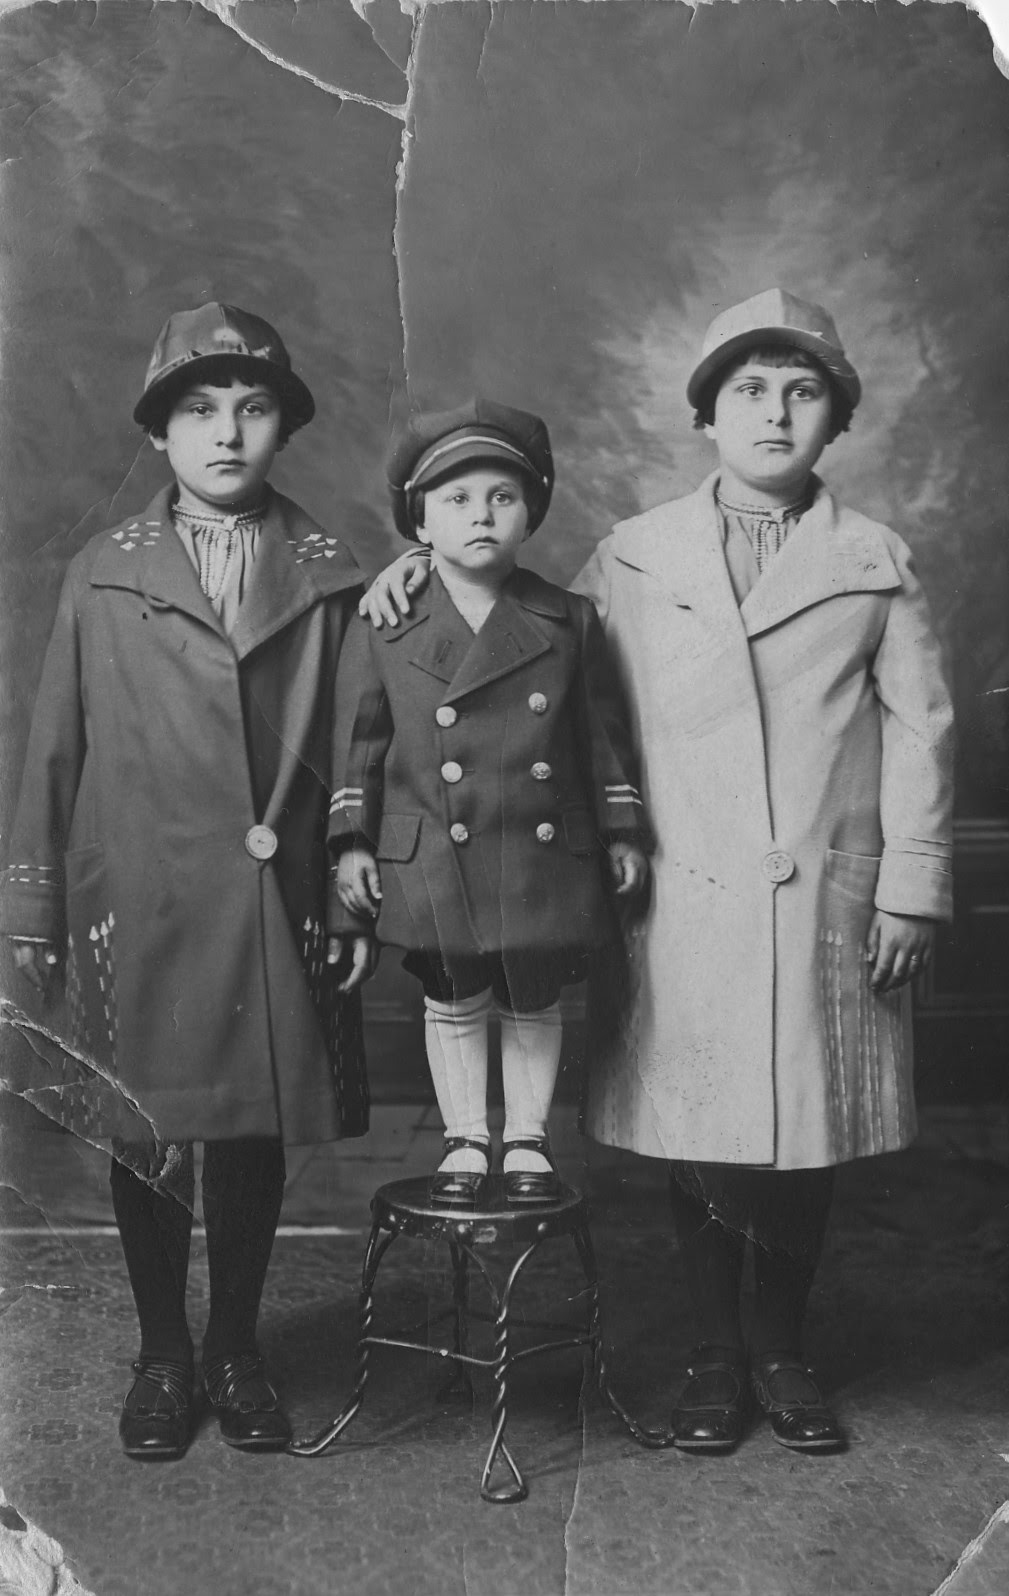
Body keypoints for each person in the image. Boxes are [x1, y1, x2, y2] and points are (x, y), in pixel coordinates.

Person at [355, 292, 955, 1450]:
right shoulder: (633, 554)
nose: (773, 413)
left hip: (821, 898)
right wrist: (406, 575)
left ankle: (782, 1348)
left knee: (804, 1130)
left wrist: (913, 882)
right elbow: (517, 622)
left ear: (836, 419)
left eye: (800, 392)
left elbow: (925, 726)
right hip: (681, 895)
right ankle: (711, 1354)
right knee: (702, 1124)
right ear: (706, 416)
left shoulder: (877, 560)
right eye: (747, 391)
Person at [1, 303, 374, 1460]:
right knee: (145, 1132)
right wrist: (31, 899)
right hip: (141, 897)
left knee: (249, 1129)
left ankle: (237, 1350)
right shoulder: (102, 573)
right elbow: (54, 741)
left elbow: (363, 740)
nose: (227, 434)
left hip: (273, 893)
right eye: (199, 411)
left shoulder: (329, 572)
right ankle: (164, 1354)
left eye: (252, 409)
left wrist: (354, 881)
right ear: (160, 435)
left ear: (283, 430)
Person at [328, 399, 649, 1205]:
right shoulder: (384, 621)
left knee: (532, 992)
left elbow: (598, 734)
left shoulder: (567, 617)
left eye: (502, 498)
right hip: (434, 845)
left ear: (531, 514)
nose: (480, 515)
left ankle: (529, 1139)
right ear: (419, 522)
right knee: (453, 993)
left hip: (537, 846)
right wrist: (352, 841)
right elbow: (359, 743)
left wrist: (619, 828)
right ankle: (467, 1135)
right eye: (457, 500)